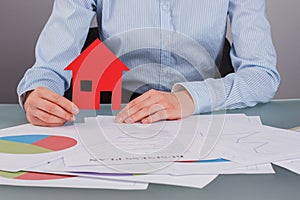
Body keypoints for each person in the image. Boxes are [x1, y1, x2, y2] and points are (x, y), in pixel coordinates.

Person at [17, 0, 280, 127]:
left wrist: (187, 99)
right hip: (118, 116)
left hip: (200, 113)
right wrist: (38, 93)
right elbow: (48, 69)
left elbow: (262, 74)